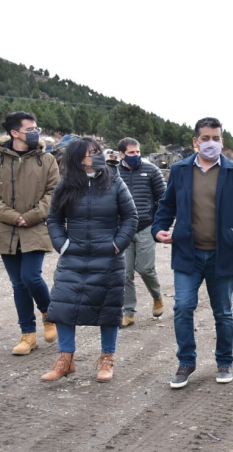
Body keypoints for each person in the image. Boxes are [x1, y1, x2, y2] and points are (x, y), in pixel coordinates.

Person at [152, 117, 233, 389]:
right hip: (187, 254)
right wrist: (159, 229)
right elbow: (166, 206)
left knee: (223, 312)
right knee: (182, 308)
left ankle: (224, 361)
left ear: (222, 141)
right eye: (206, 138)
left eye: (216, 138)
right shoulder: (179, 170)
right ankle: (186, 362)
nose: (211, 143)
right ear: (195, 141)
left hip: (221, 255)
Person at [42, 138, 138, 382]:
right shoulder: (65, 185)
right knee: (63, 307)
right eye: (91, 153)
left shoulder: (115, 182)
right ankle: (66, 359)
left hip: (108, 257)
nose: (97, 156)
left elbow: (130, 217)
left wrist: (117, 244)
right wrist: (62, 244)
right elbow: (53, 219)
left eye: (98, 152)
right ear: (77, 159)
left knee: (108, 308)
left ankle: (107, 359)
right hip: (73, 257)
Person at [1, 111, 60, 355]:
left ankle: (49, 314)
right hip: (6, 230)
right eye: (30, 129)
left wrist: (32, 216)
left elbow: (54, 192)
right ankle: (28, 335)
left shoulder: (46, 160)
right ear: (14, 133)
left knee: (31, 277)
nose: (36, 133)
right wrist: (15, 218)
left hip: (36, 227)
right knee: (18, 285)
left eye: (37, 128)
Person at [116, 137, 167, 327]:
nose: (136, 156)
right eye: (131, 153)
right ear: (121, 154)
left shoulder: (151, 170)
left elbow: (164, 199)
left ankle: (157, 296)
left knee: (145, 268)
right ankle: (128, 312)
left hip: (146, 226)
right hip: (123, 230)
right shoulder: (113, 172)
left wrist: (158, 223)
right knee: (125, 273)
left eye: (138, 152)